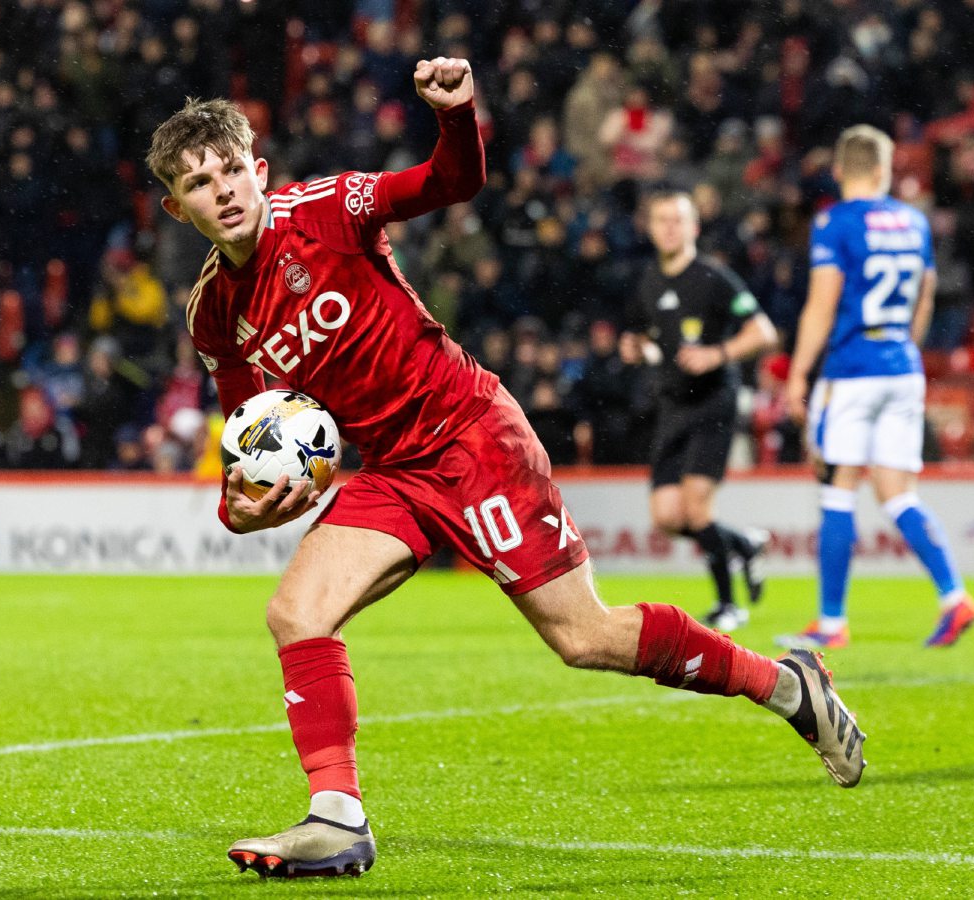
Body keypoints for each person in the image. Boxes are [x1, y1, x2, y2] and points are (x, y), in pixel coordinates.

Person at [149, 58, 866, 881]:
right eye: (201, 183)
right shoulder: (214, 314)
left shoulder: (328, 209)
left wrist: (457, 116)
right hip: (392, 471)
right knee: (296, 613)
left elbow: (451, 182)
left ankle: (786, 686)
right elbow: (250, 434)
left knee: (585, 637)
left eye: (233, 169)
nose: (225, 190)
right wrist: (242, 507)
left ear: (259, 170)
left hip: (472, 437)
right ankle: (337, 818)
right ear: (179, 207)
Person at [781, 124, 974, 650]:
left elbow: (823, 305)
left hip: (853, 370)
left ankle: (831, 621)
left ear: (840, 169)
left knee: (838, 488)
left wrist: (798, 372)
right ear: (886, 169)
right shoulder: (914, 222)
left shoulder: (835, 222)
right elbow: (926, 299)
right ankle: (955, 597)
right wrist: (902, 348)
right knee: (897, 494)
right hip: (902, 366)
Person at [619, 190, 776, 631]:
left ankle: (729, 605)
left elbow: (763, 331)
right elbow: (658, 342)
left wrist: (718, 353)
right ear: (650, 228)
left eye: (678, 220)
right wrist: (639, 349)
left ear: (694, 228)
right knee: (667, 517)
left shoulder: (713, 276)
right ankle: (744, 544)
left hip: (713, 402)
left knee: (695, 507)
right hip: (672, 404)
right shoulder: (649, 280)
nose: (669, 227)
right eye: (661, 220)